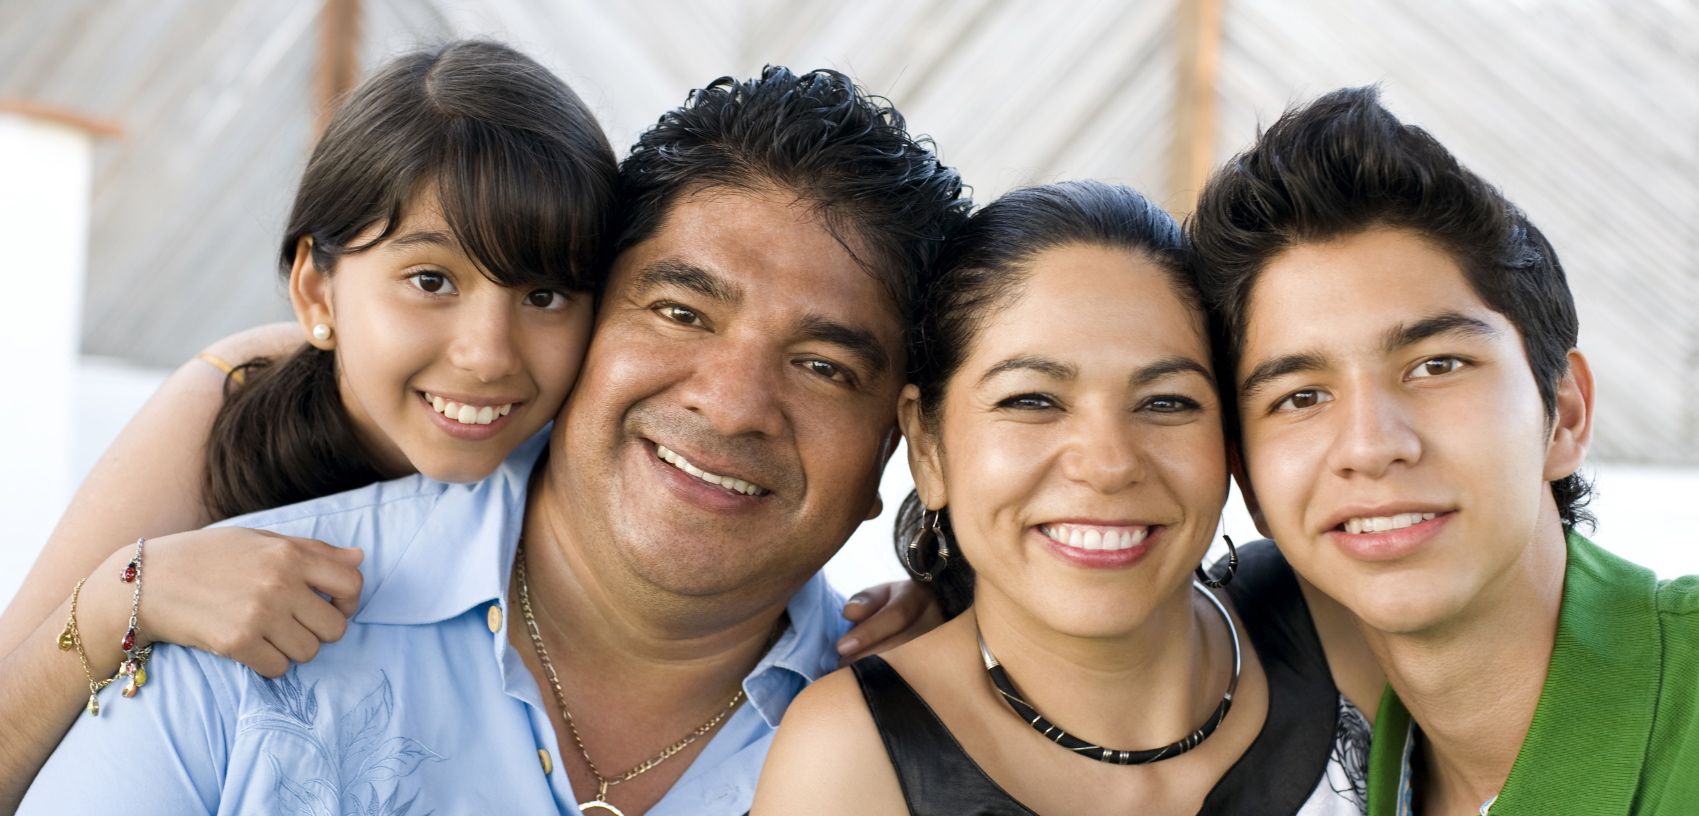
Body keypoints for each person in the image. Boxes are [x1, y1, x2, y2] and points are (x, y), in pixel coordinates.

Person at [18, 63, 968, 814]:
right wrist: (112, 603)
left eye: (823, 367)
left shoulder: (922, 749)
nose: (729, 406)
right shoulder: (226, 617)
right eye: (681, 313)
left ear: (908, 443)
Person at [755, 181, 1376, 815]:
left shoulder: (1333, 615)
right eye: (1032, 400)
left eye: (1166, 402)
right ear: (927, 447)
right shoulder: (849, 758)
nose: (1109, 465)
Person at [1188, 86, 1699, 814]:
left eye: (1436, 365)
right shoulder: (1365, 775)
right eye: (1299, 397)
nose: (1370, 446)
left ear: (1562, 414)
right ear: (1250, 486)